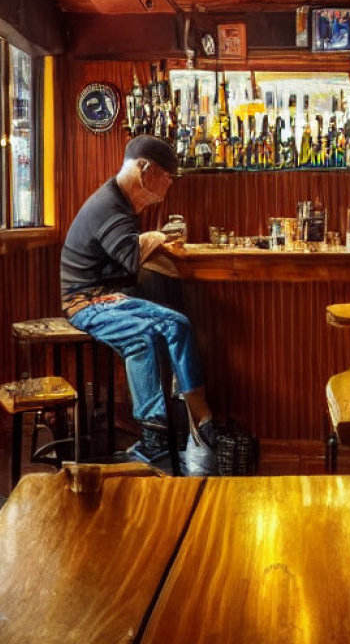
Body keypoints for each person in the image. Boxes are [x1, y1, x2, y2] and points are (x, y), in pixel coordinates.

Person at [61, 135, 218, 476]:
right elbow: (131, 258)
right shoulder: (110, 206)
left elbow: (123, 259)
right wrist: (157, 237)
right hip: (86, 304)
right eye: (167, 177)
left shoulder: (121, 202)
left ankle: (196, 422)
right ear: (145, 169)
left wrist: (150, 239)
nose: (169, 185)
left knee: (178, 324)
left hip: (108, 297)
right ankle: (160, 436)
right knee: (144, 334)